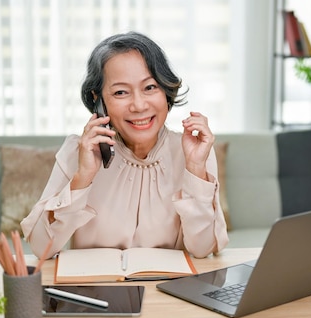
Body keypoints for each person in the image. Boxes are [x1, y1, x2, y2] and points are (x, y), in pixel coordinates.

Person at [21, 31, 229, 259]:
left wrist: (195, 170)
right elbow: (42, 249)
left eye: (150, 87)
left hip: (167, 293)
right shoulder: (79, 151)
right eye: (121, 92)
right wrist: (83, 177)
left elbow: (202, 250)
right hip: (93, 292)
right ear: (98, 100)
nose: (139, 105)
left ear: (166, 90)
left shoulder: (193, 152)